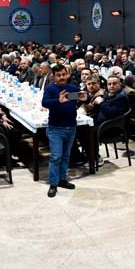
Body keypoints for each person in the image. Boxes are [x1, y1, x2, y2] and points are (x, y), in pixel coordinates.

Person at [42, 64, 86, 198]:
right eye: (58, 75)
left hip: (71, 127)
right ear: (54, 77)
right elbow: (45, 103)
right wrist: (58, 101)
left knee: (66, 156)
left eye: (63, 74)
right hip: (55, 128)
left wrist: (87, 98)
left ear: (67, 74)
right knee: (56, 157)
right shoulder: (50, 89)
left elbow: (83, 97)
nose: (61, 77)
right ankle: (53, 184)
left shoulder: (72, 88)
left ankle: (62, 180)